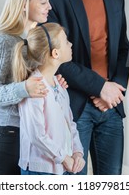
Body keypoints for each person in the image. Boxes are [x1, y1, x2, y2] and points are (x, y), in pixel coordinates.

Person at [48, 0, 129, 175]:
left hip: (111, 107)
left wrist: (114, 88)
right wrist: (99, 87)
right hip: (76, 108)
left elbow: (122, 47)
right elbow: (57, 60)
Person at [0, 0, 66, 175]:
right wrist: (25, 89)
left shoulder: (33, 39)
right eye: (44, 2)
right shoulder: (3, 41)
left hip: (28, 137)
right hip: (7, 137)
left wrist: (51, 84)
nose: (50, 7)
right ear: (23, 4)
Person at [13, 23, 85, 175]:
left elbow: (70, 124)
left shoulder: (58, 84)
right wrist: (63, 158)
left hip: (61, 168)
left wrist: (77, 152)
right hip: (40, 170)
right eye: (66, 41)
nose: (71, 44)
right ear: (55, 53)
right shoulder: (34, 87)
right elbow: (37, 136)